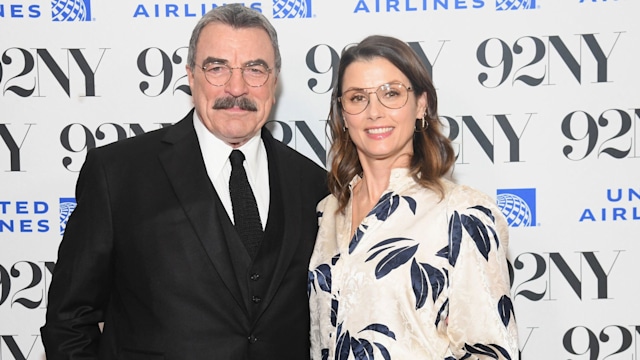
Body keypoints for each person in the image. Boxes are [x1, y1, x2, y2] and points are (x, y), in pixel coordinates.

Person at [41, 4, 327, 360]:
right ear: (191, 75)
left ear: (274, 79)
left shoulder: (314, 184)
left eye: (255, 69)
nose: (236, 88)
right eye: (217, 68)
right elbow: (69, 320)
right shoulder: (118, 174)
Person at [308, 35, 518, 359]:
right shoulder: (328, 212)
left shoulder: (462, 213)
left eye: (391, 93)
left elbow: (491, 351)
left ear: (421, 104)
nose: (374, 111)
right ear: (343, 114)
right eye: (357, 97)